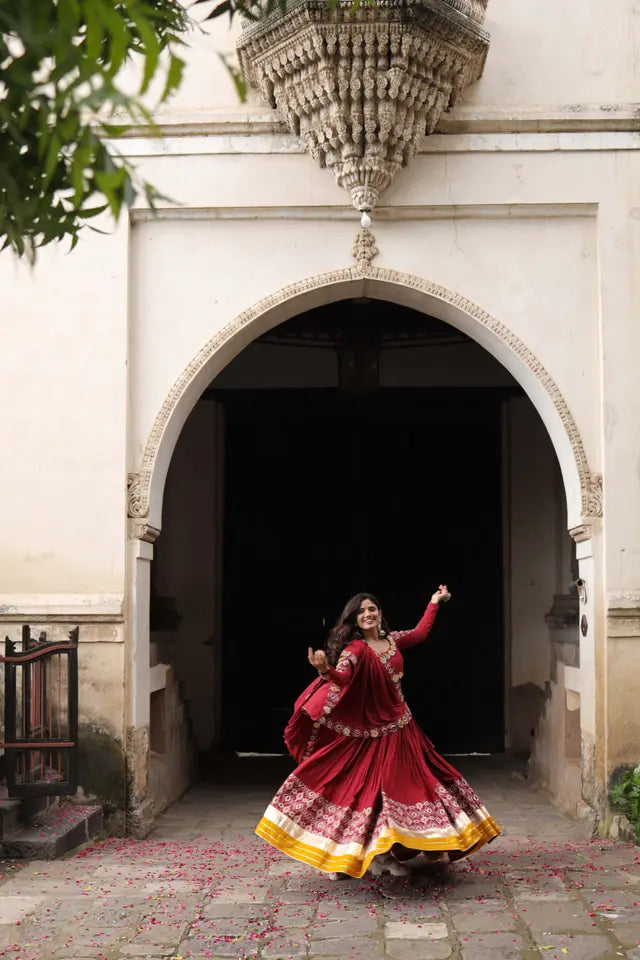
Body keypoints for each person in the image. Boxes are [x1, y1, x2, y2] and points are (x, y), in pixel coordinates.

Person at [255, 587, 500, 878]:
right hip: (366, 737)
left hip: (400, 730)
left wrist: (434, 602)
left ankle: (382, 855)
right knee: (362, 796)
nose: (367, 614)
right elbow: (342, 679)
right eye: (361, 612)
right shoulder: (355, 651)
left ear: (380, 614)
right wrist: (324, 671)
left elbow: (420, 633)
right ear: (354, 621)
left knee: (399, 793)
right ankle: (356, 858)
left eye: (372, 609)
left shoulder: (392, 642)